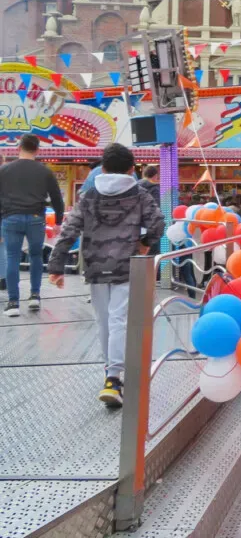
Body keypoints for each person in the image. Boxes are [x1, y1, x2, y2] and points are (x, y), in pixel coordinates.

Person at [47, 143, 165, 406]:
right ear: (132, 169)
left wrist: (56, 266)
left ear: (102, 168)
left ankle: (110, 374)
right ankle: (114, 377)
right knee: (119, 319)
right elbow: (158, 222)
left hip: (95, 266)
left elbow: (69, 230)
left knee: (103, 321)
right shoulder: (139, 195)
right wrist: (145, 244)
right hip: (127, 265)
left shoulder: (88, 195)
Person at [0, 134, 65, 316]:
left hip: (11, 218)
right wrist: (59, 221)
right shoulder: (44, 171)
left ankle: (13, 303)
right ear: (37, 150)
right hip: (36, 217)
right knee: (36, 255)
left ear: (18, 147)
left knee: (12, 256)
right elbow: (57, 199)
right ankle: (35, 296)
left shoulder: (4, 170)